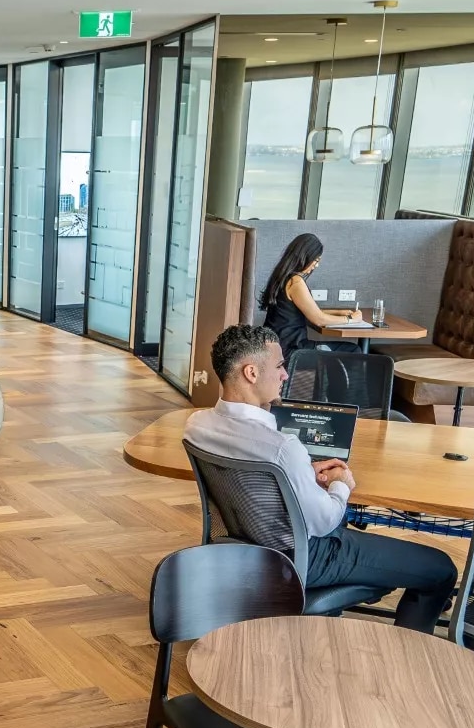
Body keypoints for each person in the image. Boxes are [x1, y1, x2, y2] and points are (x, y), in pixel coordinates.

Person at [185, 323, 457, 631]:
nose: (285, 375)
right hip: (302, 558)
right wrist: (341, 483)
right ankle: (408, 657)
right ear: (251, 373)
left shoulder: (197, 426)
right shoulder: (282, 448)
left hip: (239, 549)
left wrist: (298, 475)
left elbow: (251, 482)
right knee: (441, 568)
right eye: (279, 366)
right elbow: (324, 522)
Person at [257, 233, 346, 363]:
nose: (316, 266)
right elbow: (319, 319)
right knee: (354, 350)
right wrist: (350, 320)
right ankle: (328, 384)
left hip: (275, 345)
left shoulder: (281, 277)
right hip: (292, 350)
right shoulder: (295, 282)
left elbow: (309, 312)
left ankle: (324, 384)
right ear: (305, 256)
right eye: (316, 261)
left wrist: (339, 313)